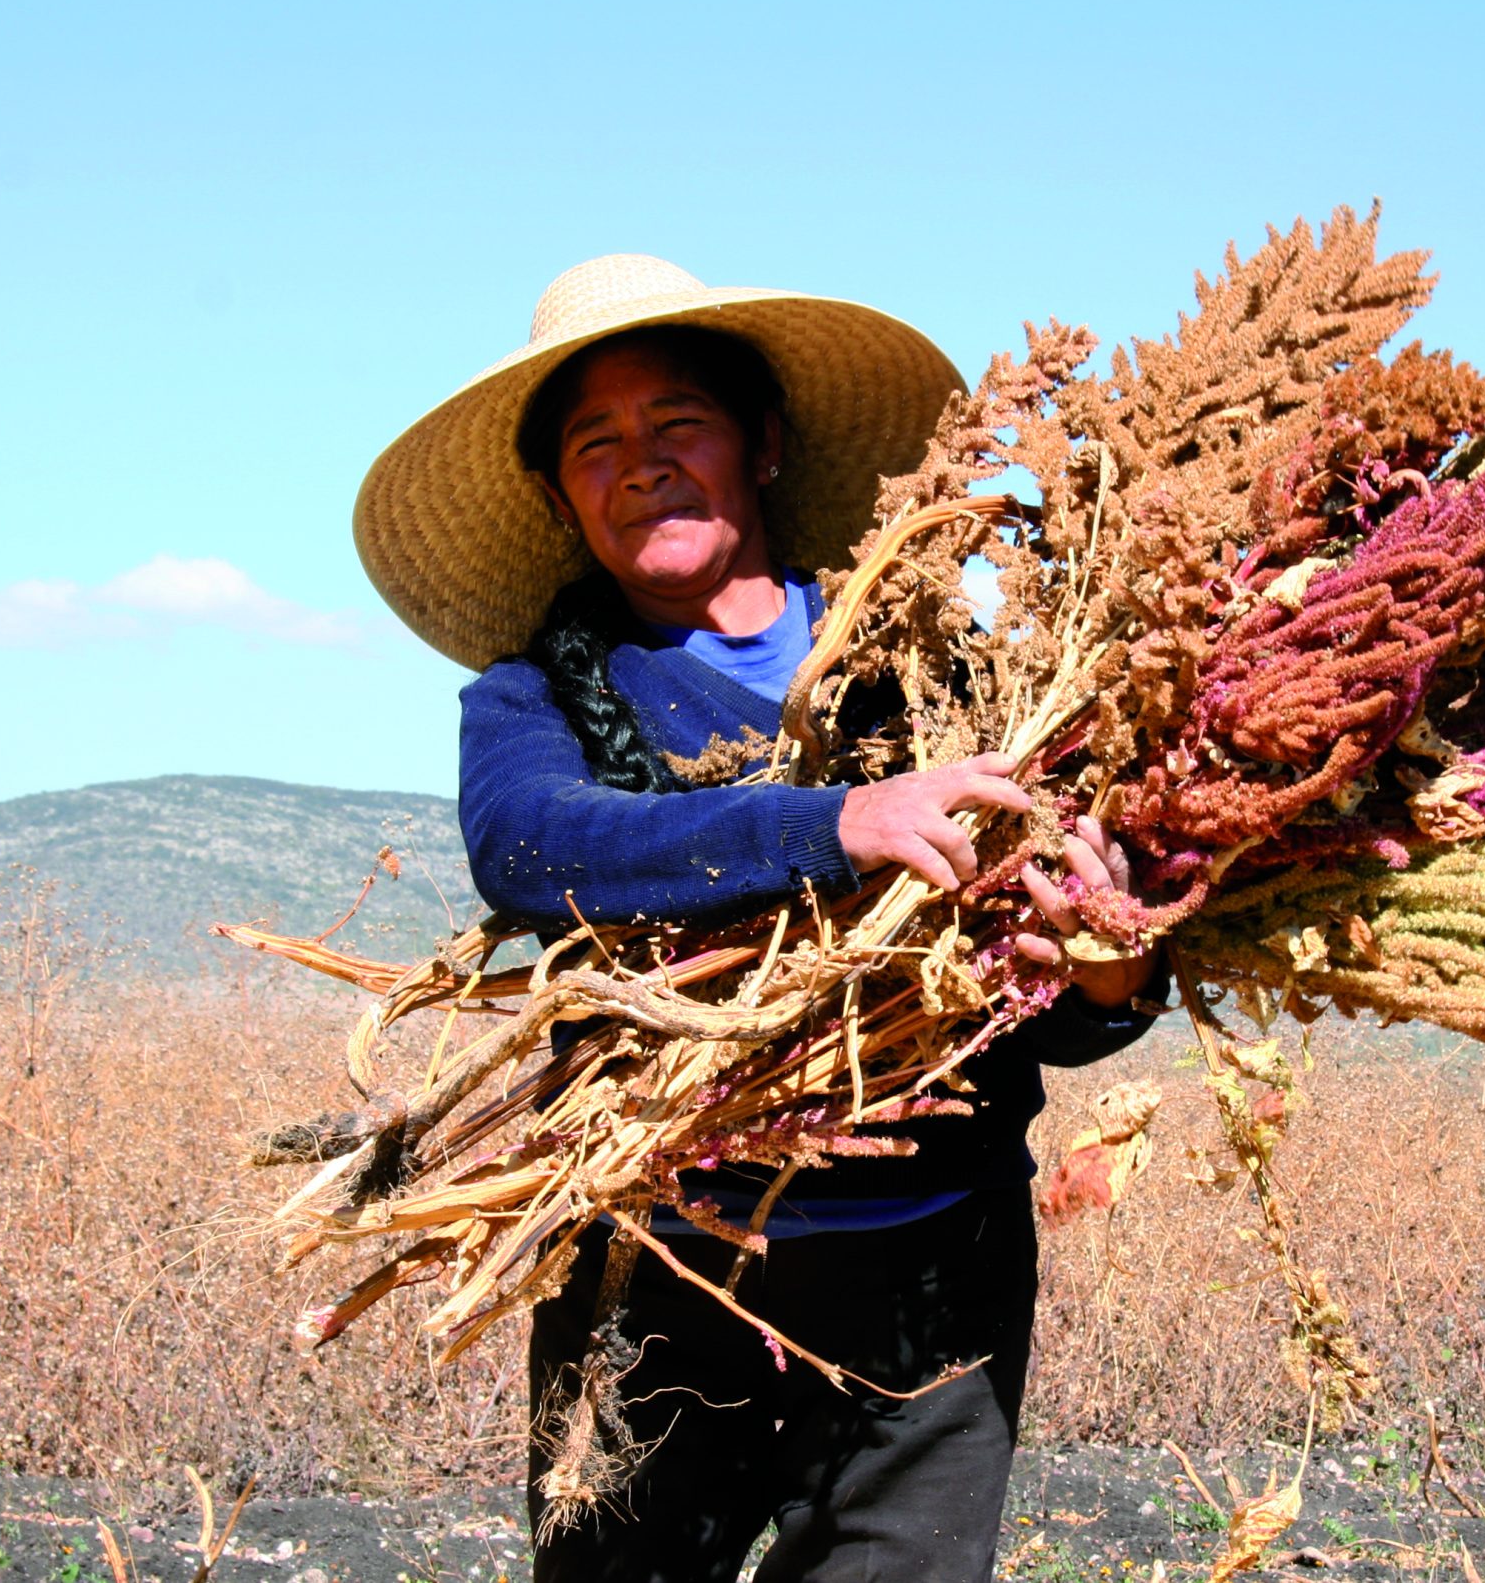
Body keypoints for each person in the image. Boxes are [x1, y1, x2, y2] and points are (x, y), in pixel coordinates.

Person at [354, 254, 1167, 1582]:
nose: (642, 463)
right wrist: (831, 824)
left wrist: (1115, 968)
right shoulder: (535, 704)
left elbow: (1050, 1017)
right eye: (596, 444)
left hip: (925, 1293)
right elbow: (532, 848)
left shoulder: (948, 684)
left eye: (679, 425)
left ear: (765, 446)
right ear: (564, 494)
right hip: (650, 1280)